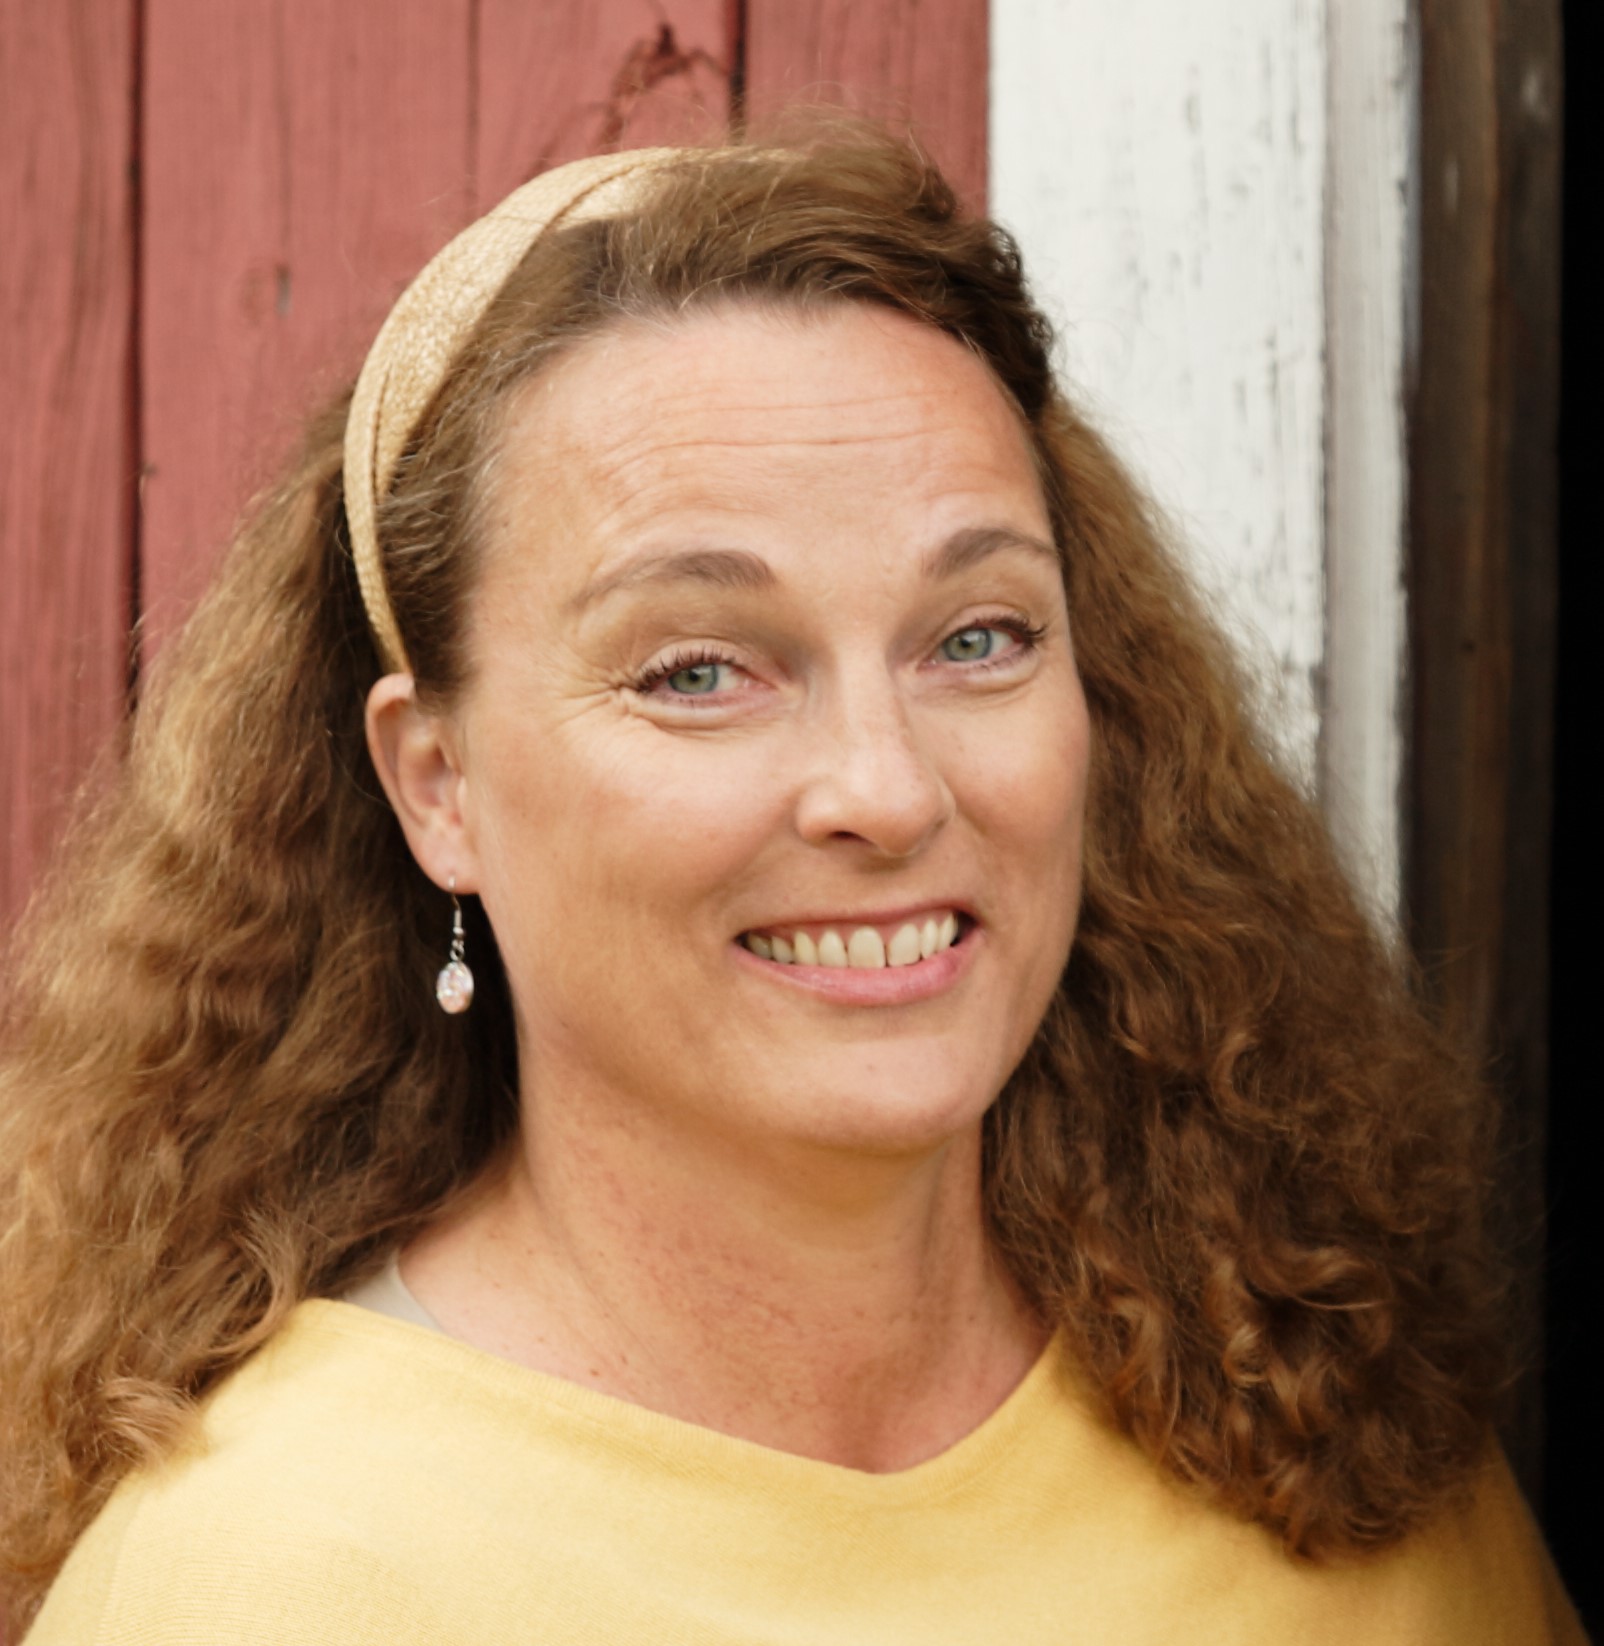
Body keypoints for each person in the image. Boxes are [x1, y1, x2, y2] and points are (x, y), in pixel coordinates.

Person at [0, 126, 1584, 1643]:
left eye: (978, 637)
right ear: (439, 784)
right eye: (699, 669)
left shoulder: (1324, 1428)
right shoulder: (263, 1581)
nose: (887, 790)